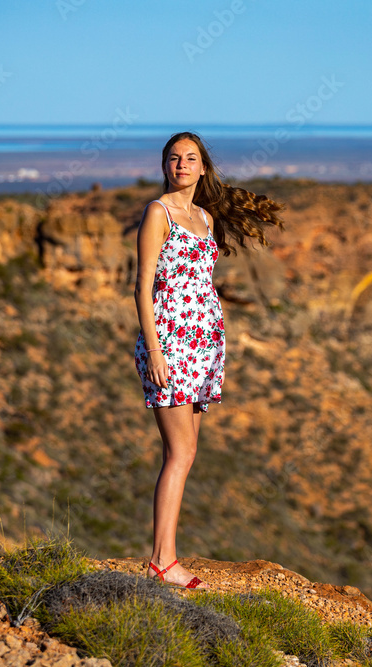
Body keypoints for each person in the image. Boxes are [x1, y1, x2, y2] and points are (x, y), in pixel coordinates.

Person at [133, 131, 284, 588]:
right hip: (170, 344)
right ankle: (162, 560)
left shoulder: (203, 216)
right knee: (180, 452)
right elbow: (141, 286)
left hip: (203, 343)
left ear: (202, 168)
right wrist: (155, 350)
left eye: (190, 158)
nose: (181, 164)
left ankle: (167, 555)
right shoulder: (157, 213)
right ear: (165, 165)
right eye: (174, 157)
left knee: (187, 451)